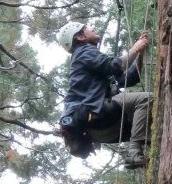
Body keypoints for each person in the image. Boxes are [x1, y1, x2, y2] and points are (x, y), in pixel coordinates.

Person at [57, 20, 152, 168]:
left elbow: (129, 78)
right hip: (98, 113)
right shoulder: (82, 52)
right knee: (147, 99)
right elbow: (114, 66)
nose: (92, 28)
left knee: (149, 121)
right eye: (87, 28)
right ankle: (134, 152)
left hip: (100, 130)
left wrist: (139, 53)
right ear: (80, 37)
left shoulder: (90, 63)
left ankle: (137, 150)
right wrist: (135, 48)